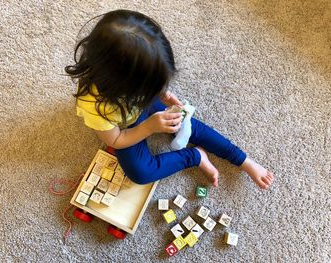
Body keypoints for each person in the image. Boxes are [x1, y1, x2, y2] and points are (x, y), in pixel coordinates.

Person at [65, 9, 274, 189]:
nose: (157, 89)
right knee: (140, 173)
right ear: (123, 84)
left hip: (134, 105)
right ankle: (196, 157)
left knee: (186, 122)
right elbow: (116, 140)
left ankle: (243, 160)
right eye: (150, 85)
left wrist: (162, 94)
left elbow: (148, 81)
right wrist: (149, 127)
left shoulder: (133, 78)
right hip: (123, 126)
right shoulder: (93, 105)